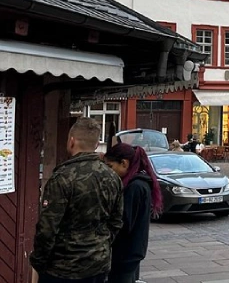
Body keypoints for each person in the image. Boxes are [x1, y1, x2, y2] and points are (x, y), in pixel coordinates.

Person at [30, 118, 123, 283]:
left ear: (71, 141)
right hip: (98, 264)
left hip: (63, 268)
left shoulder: (62, 177)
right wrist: (101, 245)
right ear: (95, 145)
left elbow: (48, 228)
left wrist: (38, 261)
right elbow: (116, 221)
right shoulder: (113, 177)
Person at [104, 143, 163, 283]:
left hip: (125, 253)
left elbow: (124, 223)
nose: (108, 171)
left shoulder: (135, 187)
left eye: (110, 166)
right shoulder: (138, 183)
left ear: (124, 163)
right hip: (131, 251)